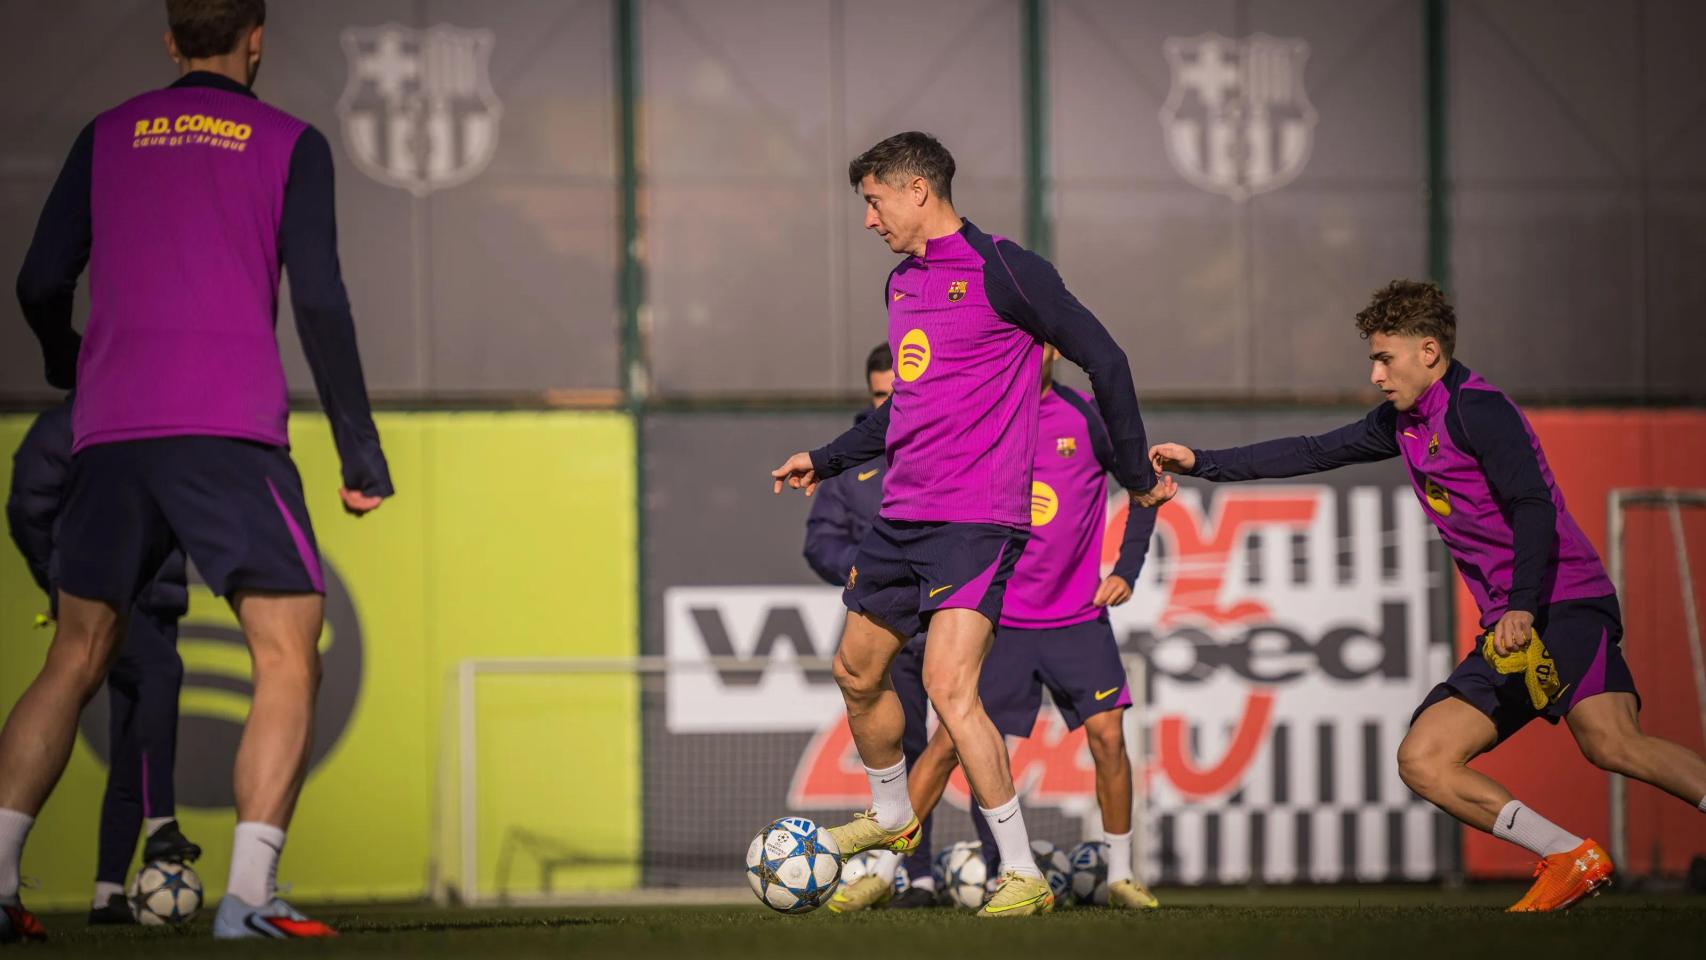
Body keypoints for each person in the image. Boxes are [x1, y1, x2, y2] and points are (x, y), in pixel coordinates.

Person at [0, 0, 392, 941]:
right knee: (288, 650)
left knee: (74, 655)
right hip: (227, 434)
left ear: (171, 39)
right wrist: (359, 452)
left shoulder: (105, 136)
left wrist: (67, 361)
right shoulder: (290, 141)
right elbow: (323, 302)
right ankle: (249, 897)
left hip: (110, 433)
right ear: (257, 38)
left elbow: (37, 282)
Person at [1149, 279, 1706, 913]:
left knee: (1597, 744)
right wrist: (1204, 462)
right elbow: (1311, 451)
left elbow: (1532, 507)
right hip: (1518, 619)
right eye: (1373, 358)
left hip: (1559, 603)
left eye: (1385, 358)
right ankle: (1569, 856)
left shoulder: (1479, 410)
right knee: (1439, 757)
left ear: (1430, 352)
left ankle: (1571, 857)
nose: (1376, 373)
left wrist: (1522, 603)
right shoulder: (1403, 424)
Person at [772, 131, 1173, 918]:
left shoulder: (1008, 269)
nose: (869, 220)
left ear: (917, 190)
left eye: (874, 201)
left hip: (976, 520)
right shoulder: (900, 286)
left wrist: (1133, 472)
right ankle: (890, 813)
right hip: (901, 515)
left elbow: (1110, 361)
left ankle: (1020, 870)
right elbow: (903, 414)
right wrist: (823, 459)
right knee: (855, 672)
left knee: (952, 691)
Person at [833, 345, 1162, 911]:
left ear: (1051, 349)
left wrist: (1126, 570)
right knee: (944, 747)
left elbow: (1144, 485)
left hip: (1076, 618)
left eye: (1029, 345)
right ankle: (888, 871)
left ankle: (1122, 874)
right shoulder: (983, 413)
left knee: (1109, 737)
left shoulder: (1084, 417)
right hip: (1001, 616)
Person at [6, 399, 202, 926]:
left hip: (156, 599)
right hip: (98, 594)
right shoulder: (67, 421)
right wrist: (60, 580)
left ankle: (107, 893)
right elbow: (28, 507)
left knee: (132, 743)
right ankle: (161, 827)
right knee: (162, 670)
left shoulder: (161, 416)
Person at [803, 345, 937, 911]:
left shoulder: (939, 438)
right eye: (881, 394)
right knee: (905, 745)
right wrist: (869, 569)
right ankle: (917, 876)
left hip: (954, 614)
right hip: (890, 622)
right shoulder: (853, 461)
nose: (891, 402)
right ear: (871, 394)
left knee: (971, 738)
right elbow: (820, 542)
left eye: (897, 390)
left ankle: (1009, 866)